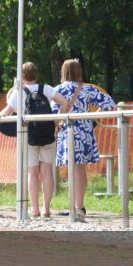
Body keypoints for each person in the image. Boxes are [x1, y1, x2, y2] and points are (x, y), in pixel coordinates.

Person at [0, 62, 69, 219]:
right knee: (47, 171)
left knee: (32, 173)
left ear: (21, 77)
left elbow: (7, 112)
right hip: (48, 134)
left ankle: (34, 209)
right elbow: (64, 102)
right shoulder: (46, 89)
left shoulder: (18, 92)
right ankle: (46, 209)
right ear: (37, 75)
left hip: (29, 136)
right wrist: (59, 121)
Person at [53, 59, 115, 221]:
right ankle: (79, 205)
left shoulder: (58, 90)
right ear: (78, 71)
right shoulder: (87, 89)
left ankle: (75, 206)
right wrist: (92, 116)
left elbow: (53, 112)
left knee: (72, 170)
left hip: (68, 131)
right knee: (81, 169)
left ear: (63, 72)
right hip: (85, 132)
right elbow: (110, 104)